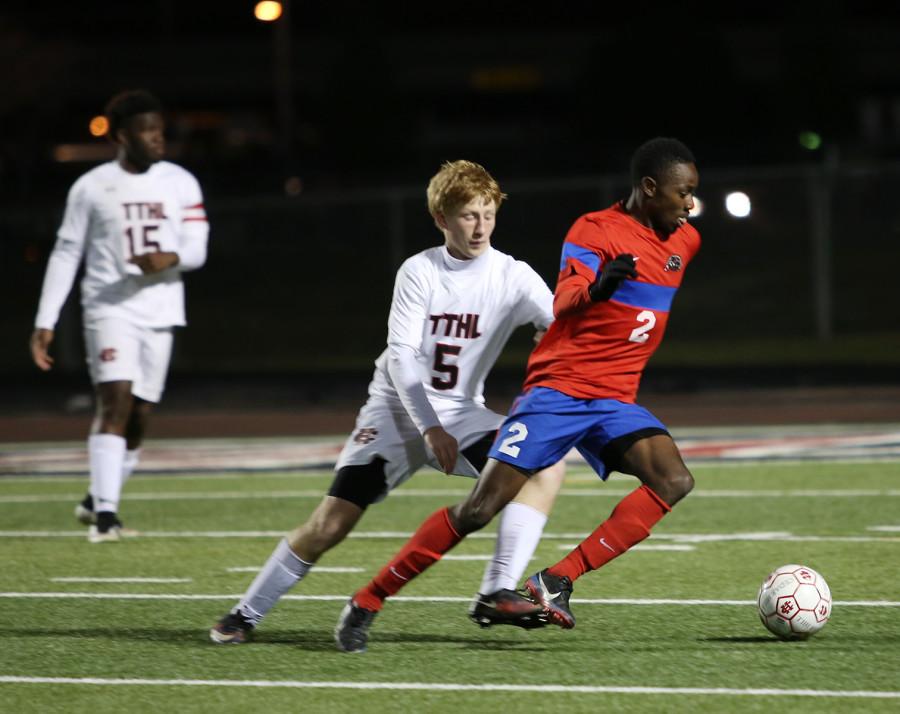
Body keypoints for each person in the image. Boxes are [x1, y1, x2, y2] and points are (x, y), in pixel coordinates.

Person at [335, 137, 701, 651]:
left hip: (614, 398)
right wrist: (596, 290)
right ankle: (368, 599)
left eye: (692, 194)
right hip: (558, 392)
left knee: (673, 480)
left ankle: (554, 581)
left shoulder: (686, 242)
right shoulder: (594, 229)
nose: (689, 203)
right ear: (649, 188)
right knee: (478, 511)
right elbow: (569, 295)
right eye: (682, 193)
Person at [210, 160, 565, 645]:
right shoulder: (420, 270)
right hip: (396, 410)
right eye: (467, 215)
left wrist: (564, 330)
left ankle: (496, 590)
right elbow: (401, 357)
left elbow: (563, 327)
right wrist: (429, 427)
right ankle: (245, 613)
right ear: (441, 219)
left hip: (463, 412)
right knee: (330, 523)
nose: (480, 226)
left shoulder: (514, 275)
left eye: (487, 213)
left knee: (545, 464)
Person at [30, 90, 209, 543]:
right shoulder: (91, 187)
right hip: (108, 308)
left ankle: (96, 498)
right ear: (121, 136)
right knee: (115, 402)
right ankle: (106, 518)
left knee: (140, 415)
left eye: (160, 131)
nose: (157, 139)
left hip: (162, 307)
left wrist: (169, 257)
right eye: (147, 132)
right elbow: (67, 253)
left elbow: (197, 248)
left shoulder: (180, 181)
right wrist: (45, 319)